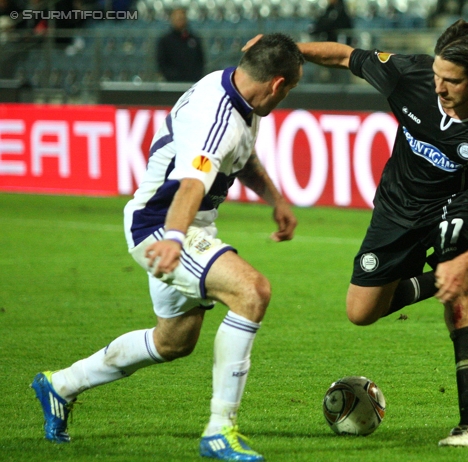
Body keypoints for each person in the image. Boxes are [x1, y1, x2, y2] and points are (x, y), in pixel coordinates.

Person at [31, 33, 304, 462]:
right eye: (290, 90)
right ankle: (220, 430)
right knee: (252, 291)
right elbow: (193, 182)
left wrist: (276, 200)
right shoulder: (215, 114)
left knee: (173, 342)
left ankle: (61, 384)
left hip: (179, 224)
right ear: (278, 85)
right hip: (162, 225)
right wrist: (175, 237)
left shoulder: (237, 92)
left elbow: (240, 157)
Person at [297, 7, 468, 447]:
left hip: (458, 210)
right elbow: (344, 56)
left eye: (452, 80)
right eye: (437, 75)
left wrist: (465, 261)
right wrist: (286, 51)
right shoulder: (410, 75)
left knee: (461, 302)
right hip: (397, 208)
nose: (439, 86)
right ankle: (434, 281)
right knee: (360, 312)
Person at [157, 7, 205, 82]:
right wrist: (172, 76)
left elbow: (200, 61)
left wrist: (195, 76)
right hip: (172, 83)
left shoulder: (194, 39)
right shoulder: (165, 41)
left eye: (182, 18)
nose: (180, 21)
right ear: (172, 20)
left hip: (192, 82)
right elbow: (162, 63)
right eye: (178, 18)